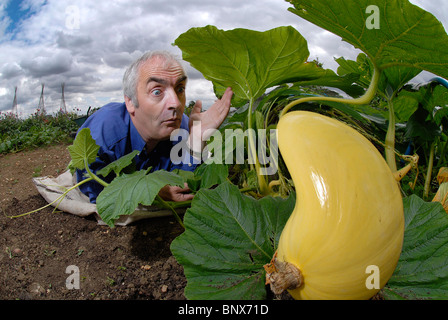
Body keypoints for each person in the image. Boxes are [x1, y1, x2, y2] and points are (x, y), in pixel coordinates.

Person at [76, 50, 233, 204]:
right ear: (130, 101)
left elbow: (186, 181)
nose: (176, 103)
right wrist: (151, 191)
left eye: (180, 89)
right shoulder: (103, 133)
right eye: (157, 91)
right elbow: (96, 192)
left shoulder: (184, 127)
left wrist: (197, 140)